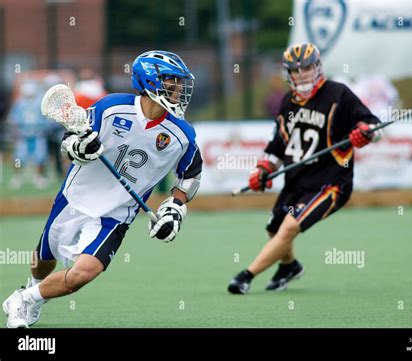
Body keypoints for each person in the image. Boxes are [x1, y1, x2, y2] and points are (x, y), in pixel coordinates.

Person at [3, 50, 202, 327]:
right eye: (172, 80)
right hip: (75, 198)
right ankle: (34, 287)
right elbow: (70, 141)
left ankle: (25, 299)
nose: (179, 88)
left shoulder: (183, 134)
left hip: (116, 215)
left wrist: (176, 208)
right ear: (150, 80)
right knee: (43, 260)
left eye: (180, 82)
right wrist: (79, 148)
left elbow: (190, 175)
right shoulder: (111, 107)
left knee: (82, 275)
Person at [228, 43, 382, 294]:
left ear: (318, 67)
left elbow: (373, 127)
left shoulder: (338, 94)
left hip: (331, 182)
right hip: (296, 180)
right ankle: (289, 267)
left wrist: (365, 134)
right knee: (274, 229)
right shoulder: (288, 102)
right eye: (296, 70)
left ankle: (245, 276)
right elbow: (278, 144)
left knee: (289, 227)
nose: (302, 74)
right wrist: (263, 169)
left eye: (307, 68)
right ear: (288, 73)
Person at [7, 81, 49, 189]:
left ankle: (39, 177)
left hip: (38, 134)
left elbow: (47, 118)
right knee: (19, 157)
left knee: (40, 157)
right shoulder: (19, 103)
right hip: (23, 135)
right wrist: (17, 131)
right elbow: (13, 119)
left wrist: (44, 128)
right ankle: (17, 177)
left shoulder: (40, 102)